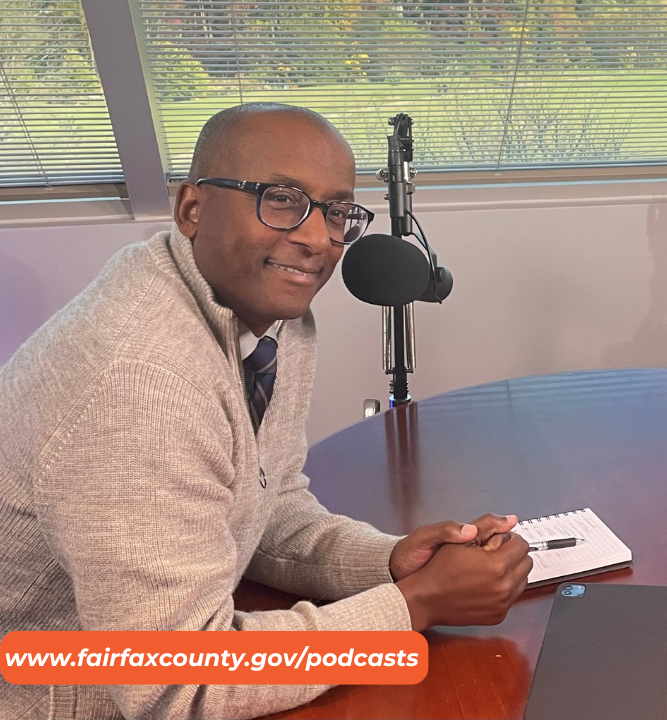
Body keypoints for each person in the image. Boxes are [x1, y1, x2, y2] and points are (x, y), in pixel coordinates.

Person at [0, 103, 533, 719]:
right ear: (191, 209)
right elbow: (175, 682)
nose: (315, 238)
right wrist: (413, 608)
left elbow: (263, 498)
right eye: (281, 199)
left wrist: (387, 563)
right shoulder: (141, 382)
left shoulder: (262, 312)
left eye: (336, 211)